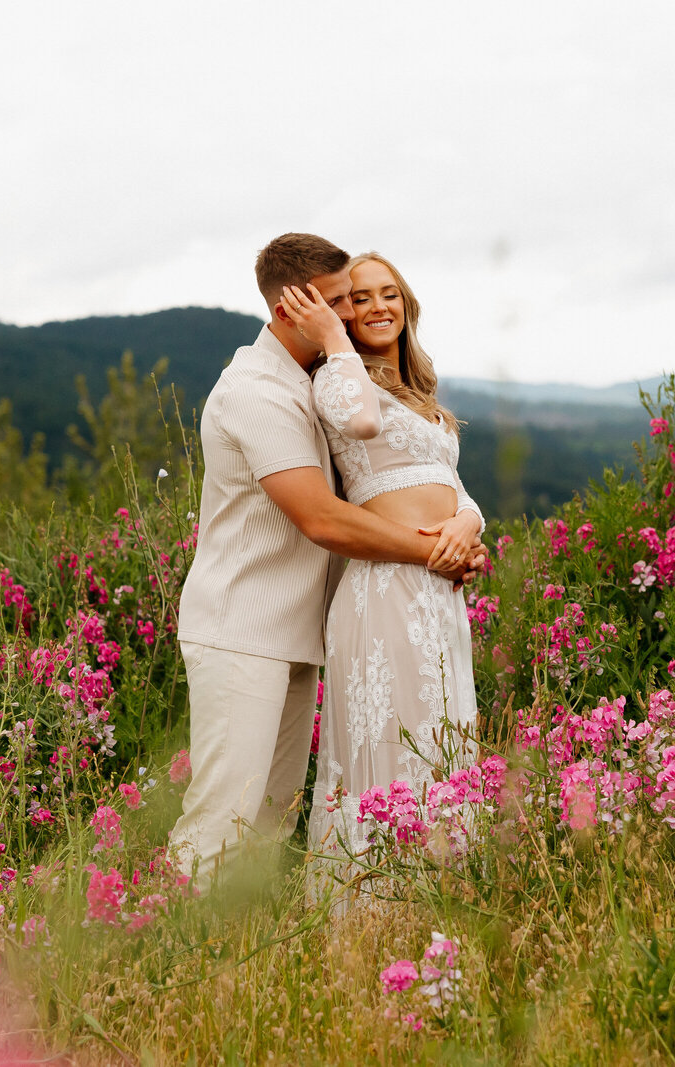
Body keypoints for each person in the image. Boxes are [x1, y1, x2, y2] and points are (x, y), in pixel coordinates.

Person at [168, 234, 486, 891]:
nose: (349, 313)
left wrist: (462, 525)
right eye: (338, 300)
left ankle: (235, 962)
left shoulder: (308, 380)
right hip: (241, 628)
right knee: (222, 815)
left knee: (270, 819)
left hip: (294, 627)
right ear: (295, 304)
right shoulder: (256, 391)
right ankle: (167, 955)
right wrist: (436, 550)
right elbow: (323, 518)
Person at [280, 252, 483, 885]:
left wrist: (467, 526)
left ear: (407, 303)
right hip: (385, 587)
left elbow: (450, 482)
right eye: (358, 298)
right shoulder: (337, 382)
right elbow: (363, 422)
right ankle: (377, 909)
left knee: (441, 738)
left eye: (388, 294)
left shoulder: (422, 393)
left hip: (438, 590)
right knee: (394, 744)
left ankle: (442, 896)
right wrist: (334, 341)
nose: (376, 308)